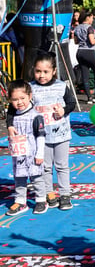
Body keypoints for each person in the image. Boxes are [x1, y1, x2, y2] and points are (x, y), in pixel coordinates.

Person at [7, 52, 76, 211]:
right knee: (43, 166)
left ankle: (65, 194)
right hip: (39, 137)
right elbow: (13, 107)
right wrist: (10, 125)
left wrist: (63, 110)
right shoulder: (30, 88)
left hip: (61, 135)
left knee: (61, 166)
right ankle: (49, 193)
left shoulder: (61, 86)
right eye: (38, 71)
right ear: (33, 70)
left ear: (53, 71)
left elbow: (71, 102)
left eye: (45, 72)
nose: (41, 75)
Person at [5, 79, 47, 216]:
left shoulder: (36, 116)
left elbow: (40, 136)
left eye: (22, 98)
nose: (19, 102)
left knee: (37, 177)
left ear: (30, 96)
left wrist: (40, 154)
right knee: (19, 178)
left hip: (33, 153)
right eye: (15, 99)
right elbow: (10, 122)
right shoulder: (12, 116)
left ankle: (41, 200)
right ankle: (20, 201)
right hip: (19, 154)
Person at [73, 11, 95, 103]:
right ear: (88, 17)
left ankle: (89, 97)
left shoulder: (77, 28)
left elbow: (76, 42)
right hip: (89, 51)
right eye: (92, 18)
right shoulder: (89, 28)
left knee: (84, 74)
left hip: (80, 52)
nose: (92, 20)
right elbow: (92, 41)